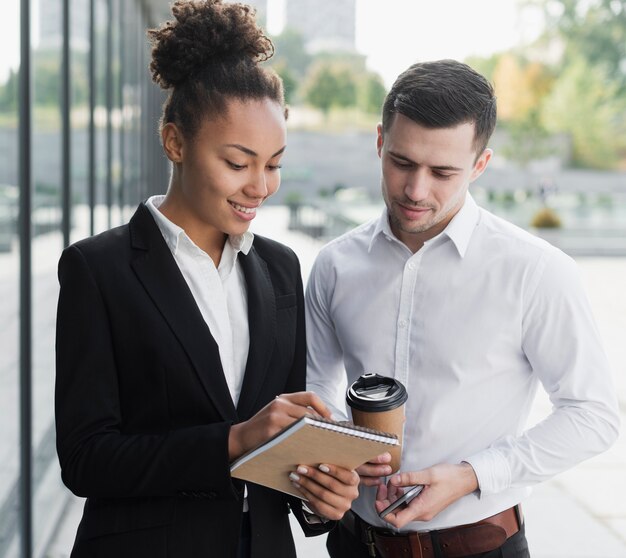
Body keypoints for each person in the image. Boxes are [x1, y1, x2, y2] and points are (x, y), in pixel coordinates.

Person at [54, 2, 359, 557]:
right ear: (175, 143)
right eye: (239, 163)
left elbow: (282, 444)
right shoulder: (98, 270)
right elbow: (85, 458)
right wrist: (232, 441)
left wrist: (319, 495)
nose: (261, 186)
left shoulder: (280, 268)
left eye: (274, 163)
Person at [305, 59, 620, 558]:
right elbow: (318, 385)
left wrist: (473, 476)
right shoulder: (334, 265)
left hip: (481, 547)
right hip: (352, 546)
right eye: (402, 162)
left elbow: (594, 415)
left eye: (442, 172)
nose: (416, 190)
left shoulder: (535, 271)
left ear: (480, 165)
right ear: (379, 142)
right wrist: (336, 445)